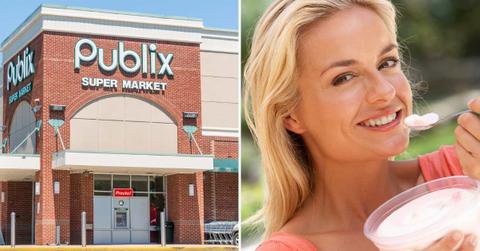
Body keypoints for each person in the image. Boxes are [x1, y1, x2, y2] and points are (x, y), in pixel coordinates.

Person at [243, 0, 480, 250]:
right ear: (291, 116)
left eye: (387, 63)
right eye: (344, 78)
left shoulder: (465, 172)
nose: (385, 91)